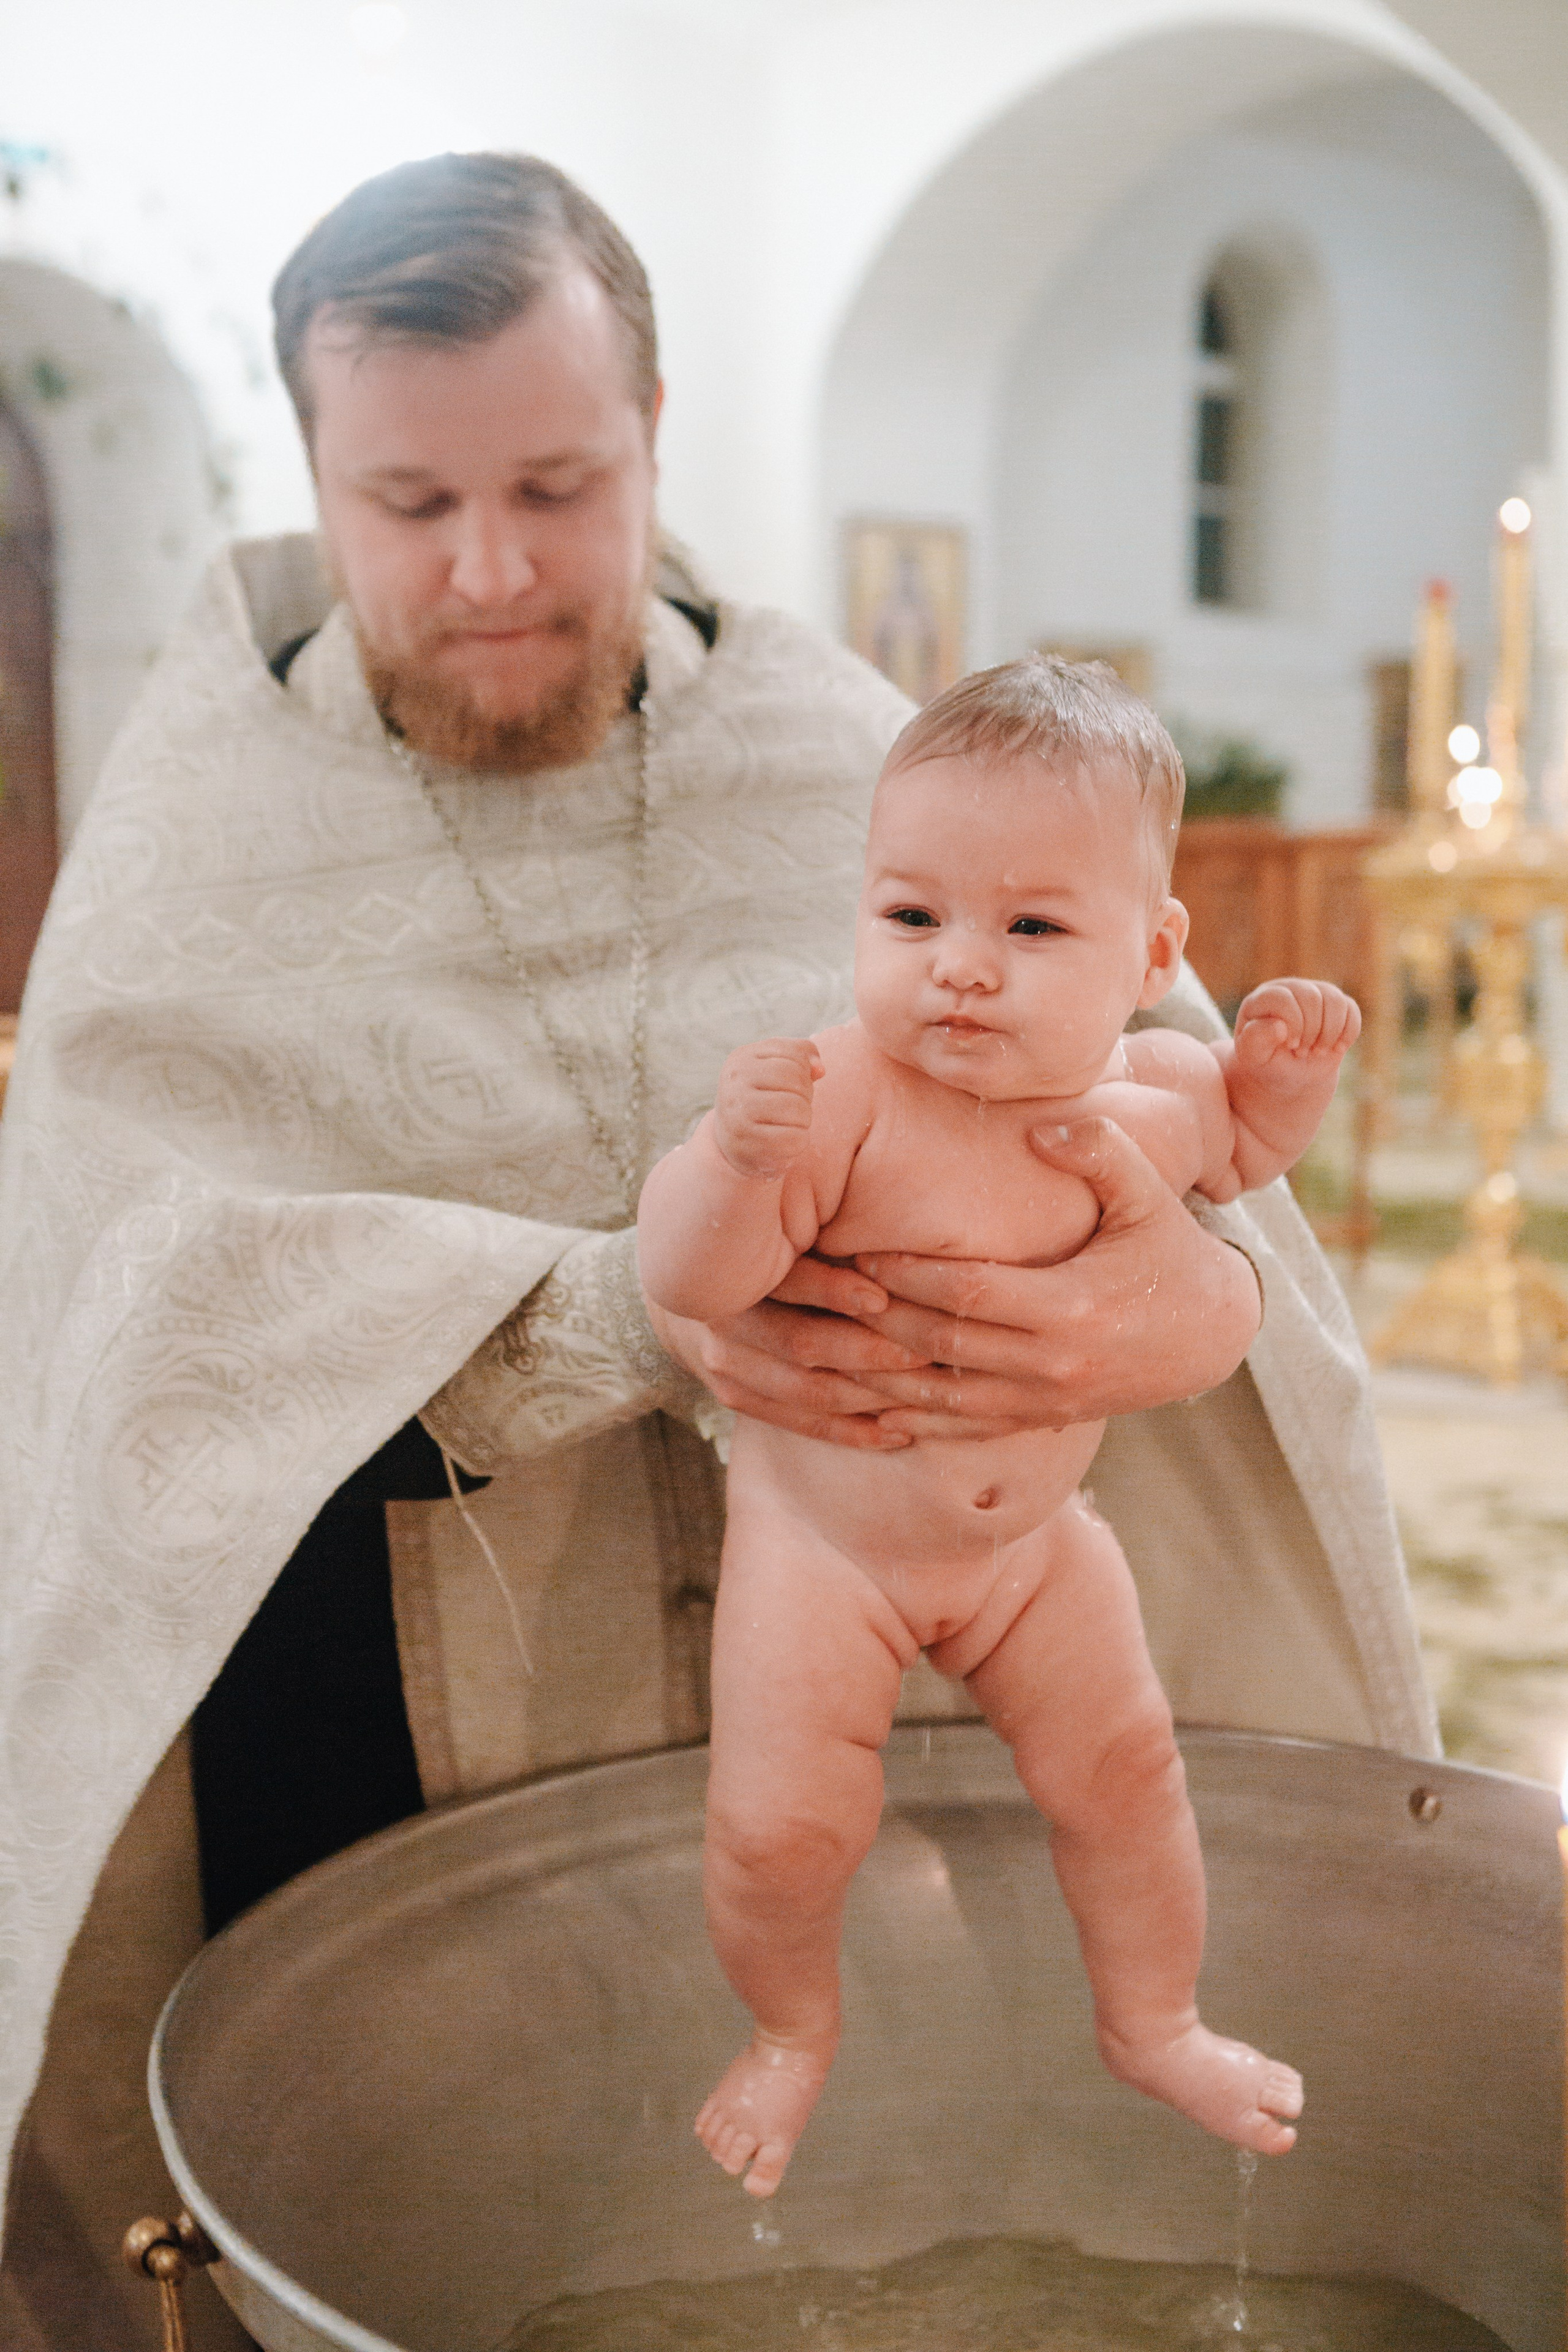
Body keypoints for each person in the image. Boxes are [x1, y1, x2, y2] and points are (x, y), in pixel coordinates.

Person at [0, 153, 1432, 2348]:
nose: (491, 568)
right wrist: (600, 1310)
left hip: (940, 1634)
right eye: (409, 502)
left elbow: (1185, 1126)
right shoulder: (203, 830)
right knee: (456, 2237)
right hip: (400, 1693)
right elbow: (123, 1301)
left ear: (655, 432)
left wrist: (1185, 1293)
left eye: (559, 486)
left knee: (921, 2224)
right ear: (314, 471)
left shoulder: (845, 748)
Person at [639, 656, 1360, 2195]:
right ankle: (788, 2033)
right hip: (826, 1548)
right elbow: (695, 1286)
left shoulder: (1160, 1089)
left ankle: (1155, 2022)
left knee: (1127, 1774)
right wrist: (728, 1164)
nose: (960, 969)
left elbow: (1240, 1159)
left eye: (1029, 929)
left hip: (1035, 1549)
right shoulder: (842, 1095)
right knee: (781, 1830)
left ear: (1150, 952)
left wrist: (1280, 1083)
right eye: (913, 918)